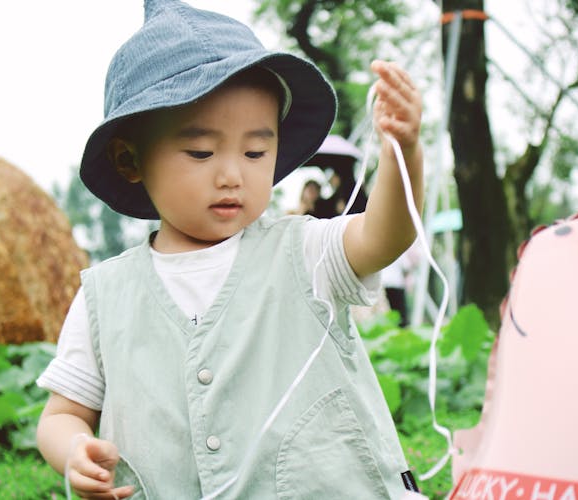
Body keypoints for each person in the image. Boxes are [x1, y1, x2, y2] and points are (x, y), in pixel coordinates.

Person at [35, 1, 425, 498]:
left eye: (256, 151)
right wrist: (73, 451)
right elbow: (63, 415)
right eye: (201, 152)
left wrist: (402, 150)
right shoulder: (103, 296)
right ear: (129, 158)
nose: (232, 174)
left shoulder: (303, 250)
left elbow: (385, 235)